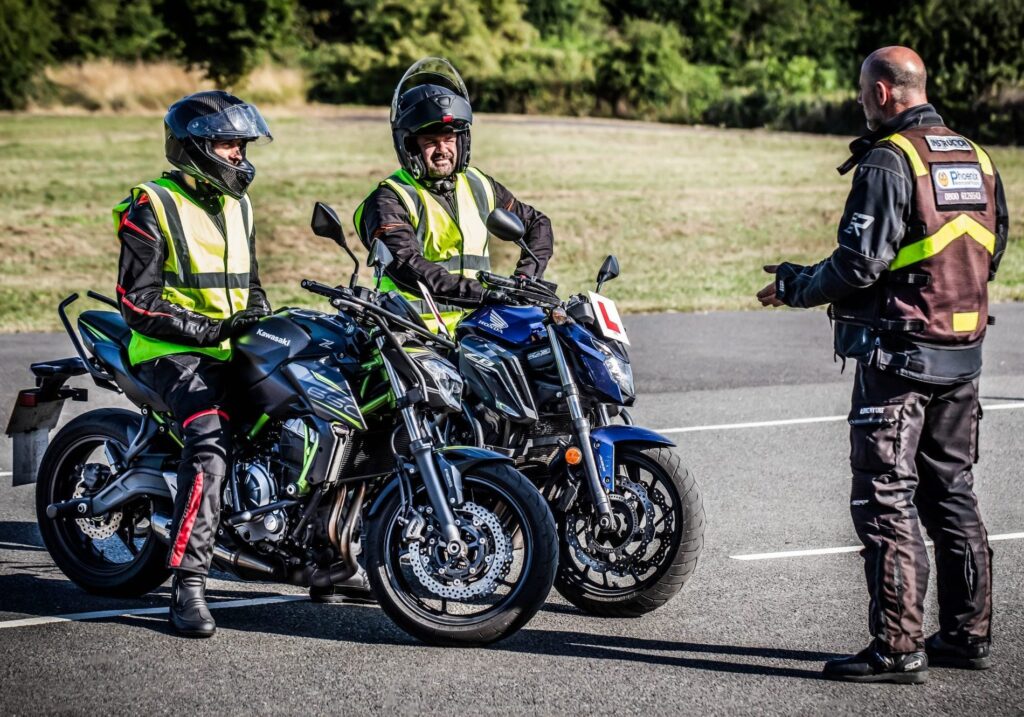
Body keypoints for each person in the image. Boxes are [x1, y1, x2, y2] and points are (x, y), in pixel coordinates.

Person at [756, 47, 1008, 684]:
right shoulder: (977, 157)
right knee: (952, 494)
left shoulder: (890, 160)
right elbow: (992, 246)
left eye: (863, 92)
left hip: (900, 357)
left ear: (885, 94)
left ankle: (897, 648)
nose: (859, 102)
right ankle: (967, 634)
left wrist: (794, 285)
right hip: (964, 352)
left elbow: (857, 265)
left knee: (884, 501)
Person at [114, 90, 273, 637]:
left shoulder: (238, 204)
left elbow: (251, 289)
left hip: (227, 346)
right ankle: (187, 585)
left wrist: (264, 322)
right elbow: (137, 302)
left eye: (242, 144)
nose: (239, 155)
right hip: (168, 352)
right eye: (229, 145)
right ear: (197, 148)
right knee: (209, 440)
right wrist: (212, 330)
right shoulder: (151, 205)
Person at [354, 57, 553, 331]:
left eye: (449, 139)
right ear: (409, 147)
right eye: (431, 142)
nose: (442, 150)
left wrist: (524, 279)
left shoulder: (479, 185)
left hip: (477, 329)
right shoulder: (390, 199)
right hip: (411, 335)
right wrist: (481, 295)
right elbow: (406, 265)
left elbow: (537, 224)